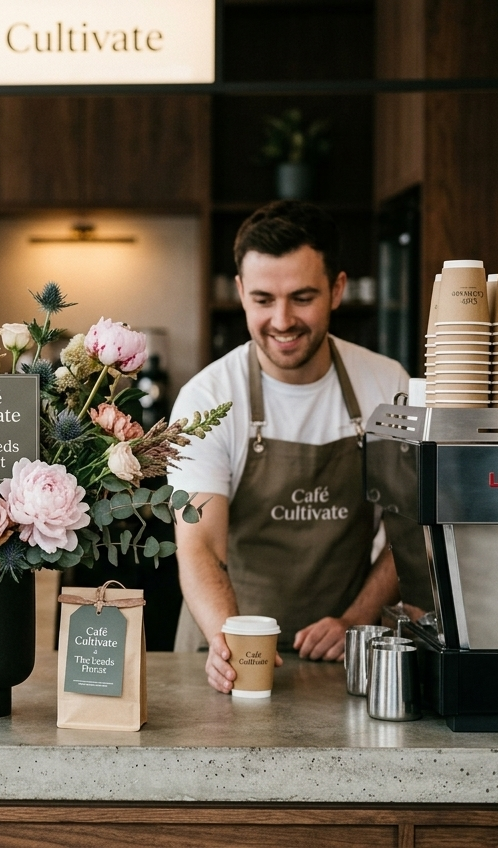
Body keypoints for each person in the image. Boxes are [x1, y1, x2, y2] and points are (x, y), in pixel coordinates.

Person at [169, 201, 408, 694]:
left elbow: (409, 530)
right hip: (222, 651)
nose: (281, 320)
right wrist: (228, 642)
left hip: (342, 655)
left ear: (337, 289)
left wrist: (357, 620)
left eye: (302, 298)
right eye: (263, 299)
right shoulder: (207, 399)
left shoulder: (387, 386)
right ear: (240, 292)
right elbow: (200, 543)